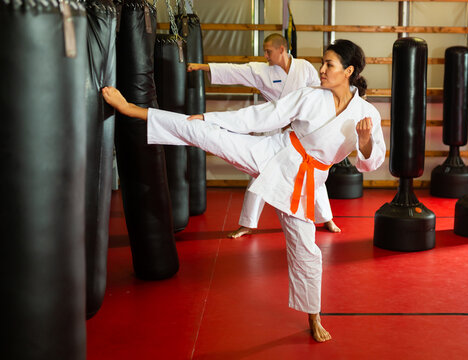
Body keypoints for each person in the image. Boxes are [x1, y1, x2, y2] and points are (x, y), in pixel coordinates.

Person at [102, 39, 386, 342]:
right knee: (204, 132)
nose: (321, 69)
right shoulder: (310, 96)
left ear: (349, 70)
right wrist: (209, 117)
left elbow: (371, 163)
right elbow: (262, 116)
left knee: (307, 252)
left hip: (304, 182)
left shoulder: (366, 114)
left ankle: (314, 316)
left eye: (329, 64)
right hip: (273, 152)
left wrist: (365, 141)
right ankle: (134, 110)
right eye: (323, 61)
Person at [188, 33, 341, 238]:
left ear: (281, 49)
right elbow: (236, 71)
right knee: (259, 174)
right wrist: (204, 67)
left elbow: (320, 92)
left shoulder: (303, 67)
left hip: (300, 130)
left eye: (268, 51)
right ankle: (248, 223)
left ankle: (326, 217)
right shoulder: (262, 71)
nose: (265, 56)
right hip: (272, 127)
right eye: (264, 52)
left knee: (311, 172)